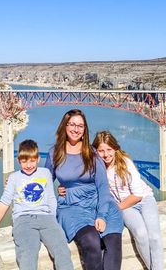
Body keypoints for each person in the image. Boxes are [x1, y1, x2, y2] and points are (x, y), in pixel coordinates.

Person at [45, 109, 124, 270]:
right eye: (72, 124)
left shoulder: (92, 152)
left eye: (80, 126)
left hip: (98, 203)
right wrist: (18, 181)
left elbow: (102, 186)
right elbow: (44, 183)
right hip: (71, 207)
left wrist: (102, 215)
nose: (76, 129)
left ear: (84, 129)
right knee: (91, 240)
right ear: (64, 126)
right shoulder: (54, 153)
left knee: (113, 244)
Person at [0, 139, 74, 270]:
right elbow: (4, 201)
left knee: (62, 250)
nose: (28, 165)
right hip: (23, 220)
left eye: (32, 160)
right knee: (27, 254)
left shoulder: (45, 173)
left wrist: (53, 220)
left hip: (46, 219)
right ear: (19, 160)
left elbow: (51, 198)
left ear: (38, 159)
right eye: (24, 161)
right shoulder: (13, 178)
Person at [92, 131, 164, 270]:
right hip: (126, 207)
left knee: (154, 236)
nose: (106, 155)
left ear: (115, 148)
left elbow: (137, 195)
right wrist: (65, 188)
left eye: (109, 150)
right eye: (101, 151)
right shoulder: (97, 168)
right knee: (141, 234)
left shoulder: (125, 163)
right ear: (96, 151)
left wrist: (116, 208)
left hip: (143, 199)